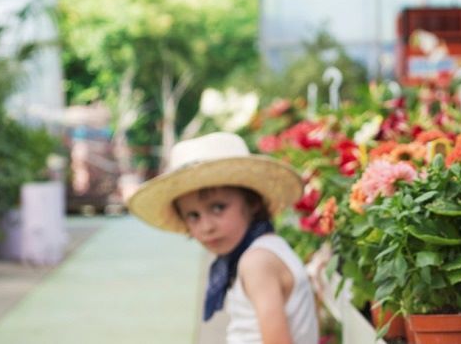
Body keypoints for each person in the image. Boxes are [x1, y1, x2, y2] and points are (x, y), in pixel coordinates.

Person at [127, 132, 318, 344]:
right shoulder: (265, 248)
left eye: (218, 208)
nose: (207, 227)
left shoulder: (257, 262)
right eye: (193, 216)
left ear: (252, 202)